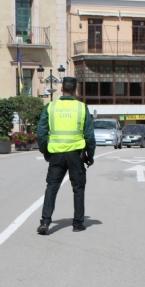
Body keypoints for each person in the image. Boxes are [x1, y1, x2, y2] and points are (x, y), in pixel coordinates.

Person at [36, 76, 96, 234]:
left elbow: (41, 132)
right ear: (76, 90)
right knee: (78, 188)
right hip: (76, 154)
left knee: (52, 187)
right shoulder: (82, 108)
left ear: (61, 89)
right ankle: (77, 224)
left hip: (56, 154)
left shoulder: (51, 107)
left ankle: (45, 222)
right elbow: (89, 135)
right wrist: (90, 155)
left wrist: (45, 150)